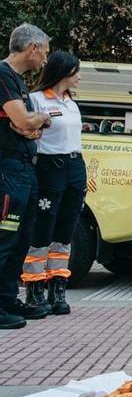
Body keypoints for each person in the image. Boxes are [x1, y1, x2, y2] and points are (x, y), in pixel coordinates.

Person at [19, 51, 87, 317]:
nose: (79, 76)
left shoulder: (71, 103)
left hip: (74, 167)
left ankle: (58, 289)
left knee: (65, 229)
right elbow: (28, 132)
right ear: (64, 72)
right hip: (49, 167)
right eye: (76, 71)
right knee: (42, 228)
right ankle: (35, 289)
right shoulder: (36, 100)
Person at [0, 23, 52, 329]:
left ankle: (7, 300)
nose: (46, 57)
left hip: (23, 167)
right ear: (32, 47)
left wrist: (32, 122)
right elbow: (23, 121)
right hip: (7, 168)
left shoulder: (18, 83)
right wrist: (37, 119)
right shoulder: (3, 75)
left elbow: (29, 130)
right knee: (5, 236)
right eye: (44, 50)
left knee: (20, 239)